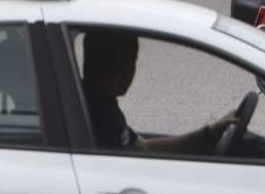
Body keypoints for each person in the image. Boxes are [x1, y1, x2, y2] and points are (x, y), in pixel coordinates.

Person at [81, 30, 237, 153]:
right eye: (132, 61)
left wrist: (210, 132)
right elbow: (143, 150)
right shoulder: (98, 115)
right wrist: (210, 133)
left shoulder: (94, 103)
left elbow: (143, 148)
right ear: (121, 66)